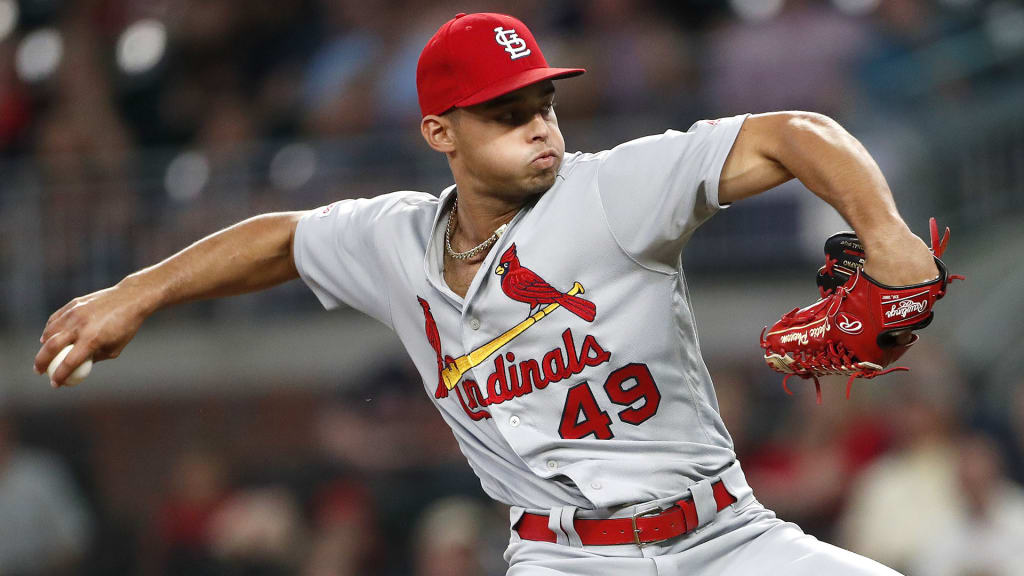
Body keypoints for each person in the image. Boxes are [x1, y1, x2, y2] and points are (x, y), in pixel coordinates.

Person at [35, 12, 940, 575]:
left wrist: (890, 237)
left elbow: (794, 133)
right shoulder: (393, 241)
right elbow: (280, 238)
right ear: (442, 131)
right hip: (562, 558)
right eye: (507, 115)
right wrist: (139, 292)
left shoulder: (610, 191)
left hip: (727, 540)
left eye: (542, 103)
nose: (539, 128)